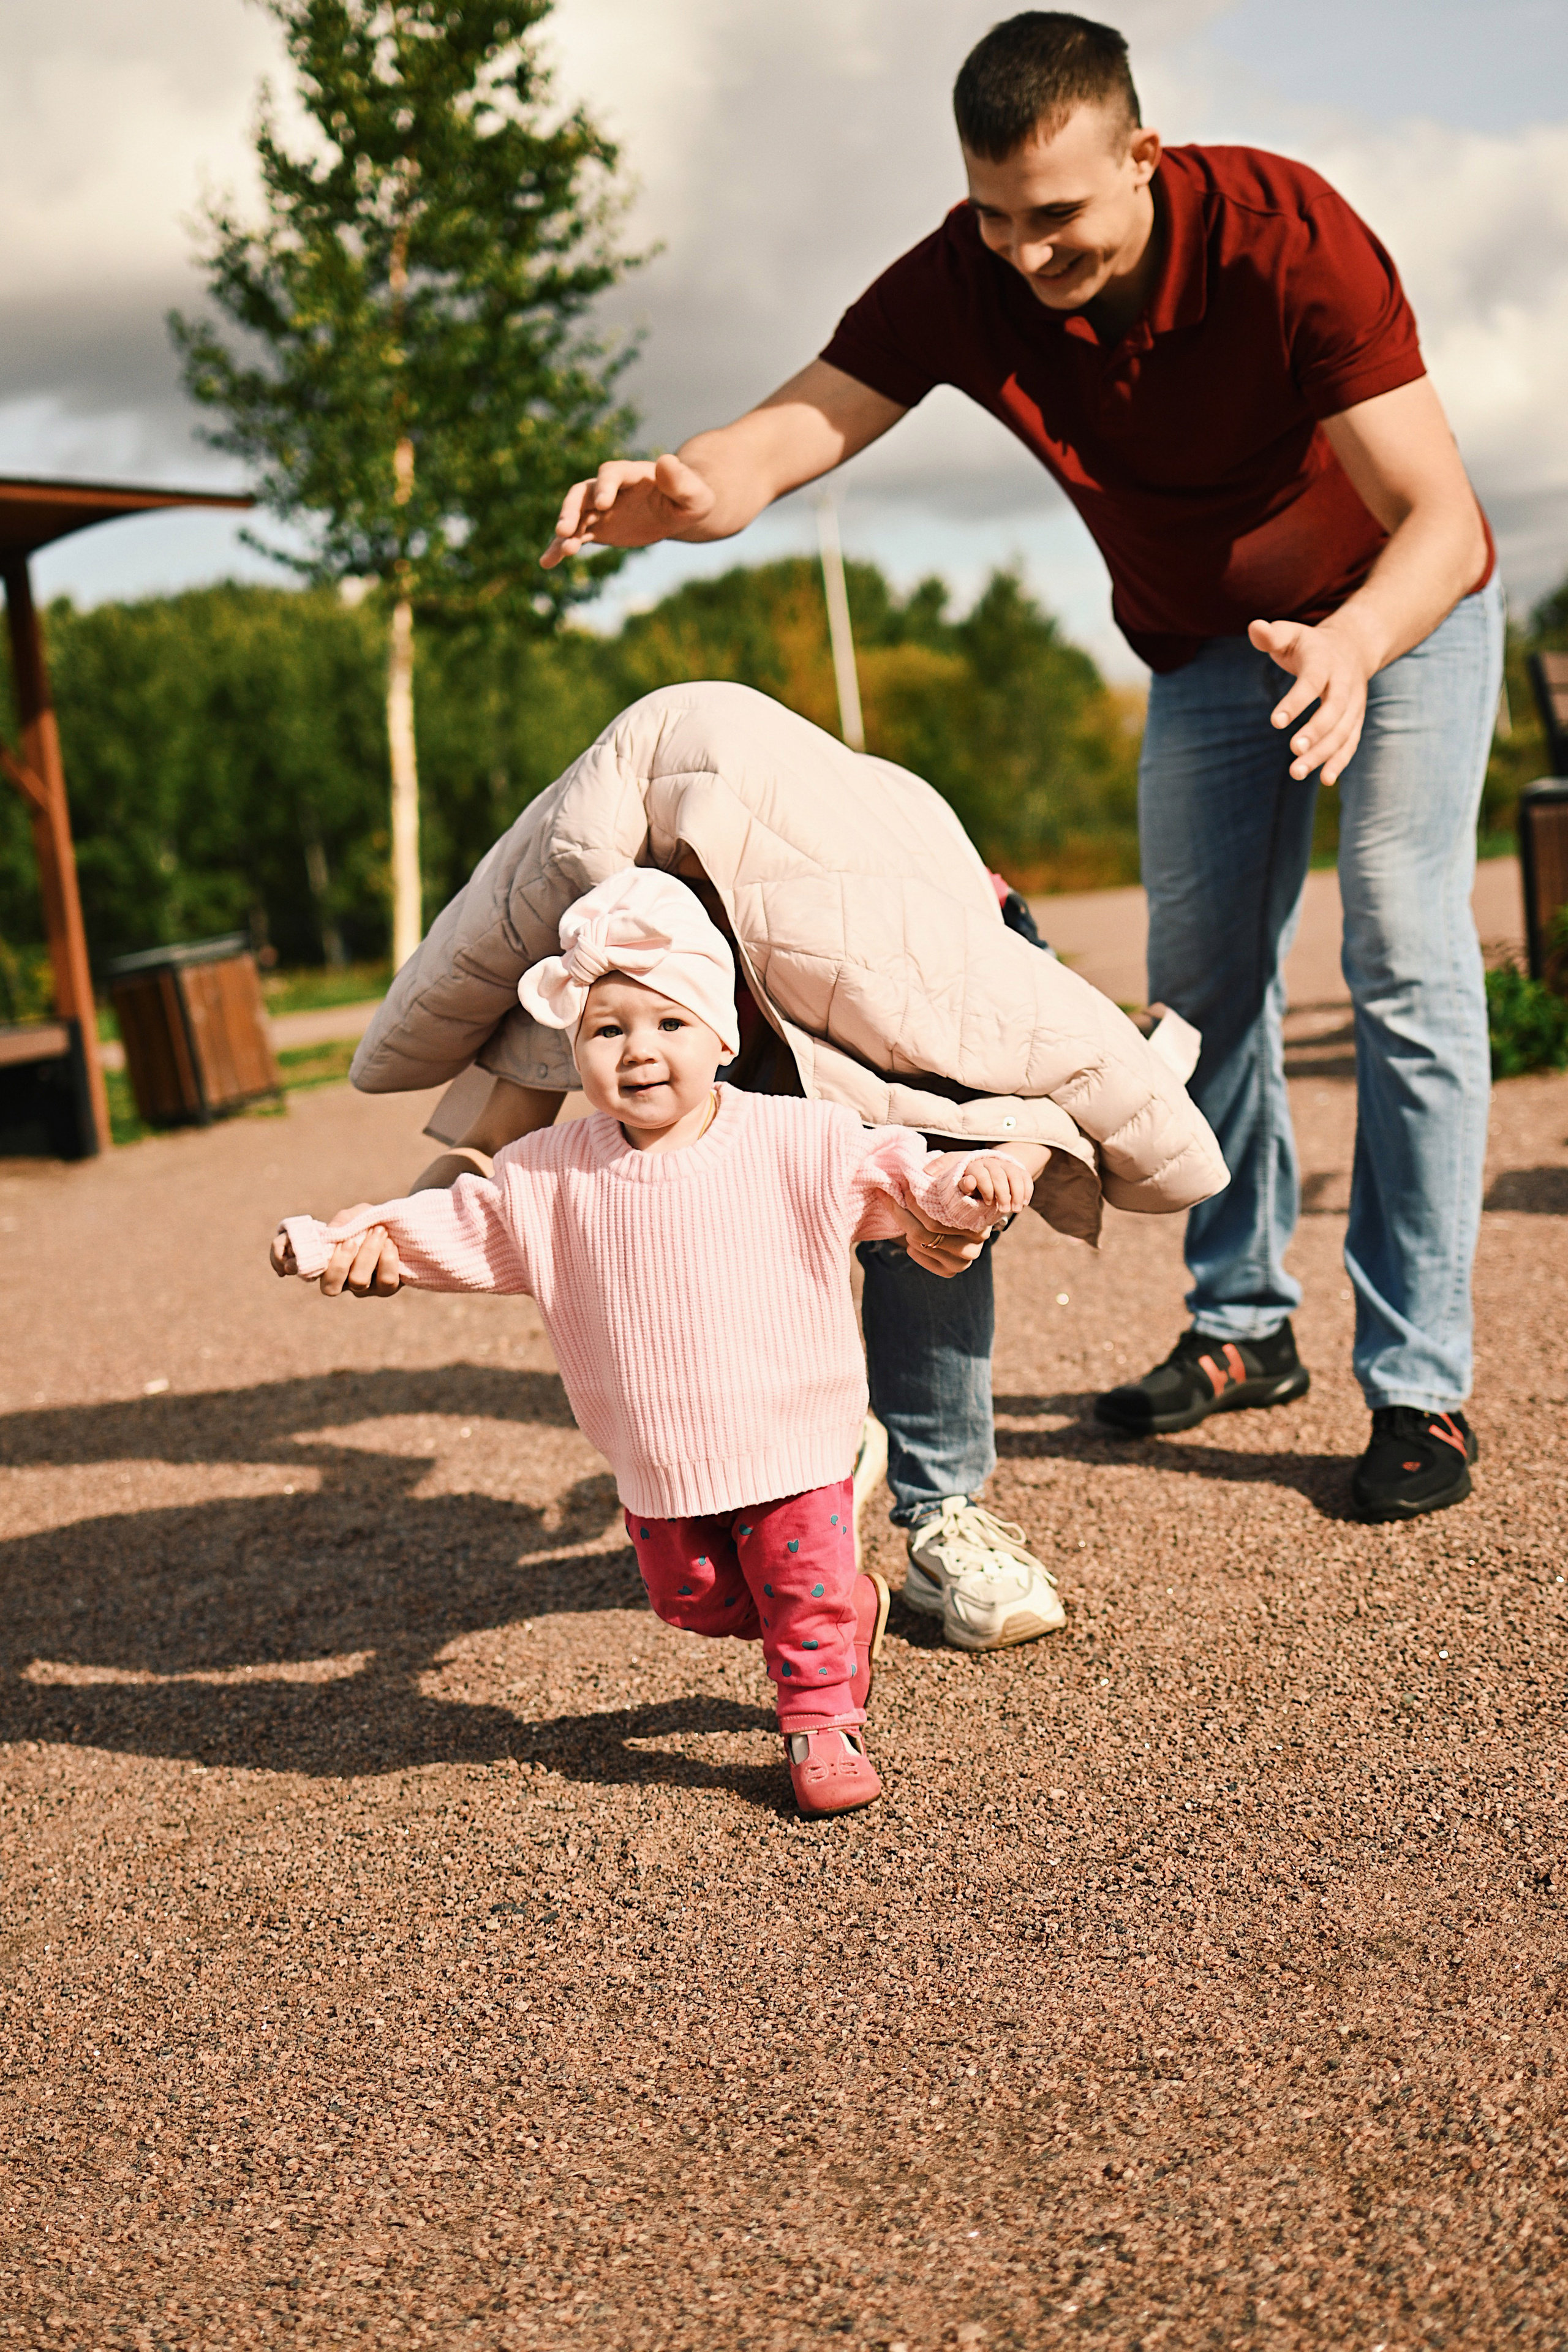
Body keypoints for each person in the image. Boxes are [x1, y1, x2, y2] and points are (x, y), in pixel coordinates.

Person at [539, 11, 1502, 1525]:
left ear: (1141, 154)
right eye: (995, 217)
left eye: (1055, 217)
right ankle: (1244, 1326)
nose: (1026, 252)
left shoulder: (1283, 236)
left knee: (1399, 949)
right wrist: (690, 489)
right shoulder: (966, 276)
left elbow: (1440, 517)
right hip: (1201, 652)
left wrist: (1353, 643)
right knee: (1197, 994)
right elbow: (801, 420)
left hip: (1405, 610)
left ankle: (1419, 1386)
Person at [345, 680, 1226, 1653]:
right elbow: (500, 1149)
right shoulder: (610, 939)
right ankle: (821, 1432)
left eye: (671, 996)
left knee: (917, 1197)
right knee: (668, 1194)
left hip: (919, 986)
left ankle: (940, 1510)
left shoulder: (885, 936)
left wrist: (989, 1180)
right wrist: (393, 1229)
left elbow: (1041, 1091)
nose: (639, 1033)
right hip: (765, 1049)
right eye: (620, 1009)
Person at [273, 870, 1036, 1817]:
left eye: (670, 1024)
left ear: (721, 1036)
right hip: (659, 1459)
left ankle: (819, 1720)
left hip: (795, 1435)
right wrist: (340, 1239)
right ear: (574, 1052)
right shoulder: (550, 1176)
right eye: (607, 1029)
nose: (639, 1051)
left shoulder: (793, 1140)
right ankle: (852, 1609)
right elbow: (464, 1222)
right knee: (694, 1600)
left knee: (797, 1599)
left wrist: (960, 1187)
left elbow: (893, 1169)